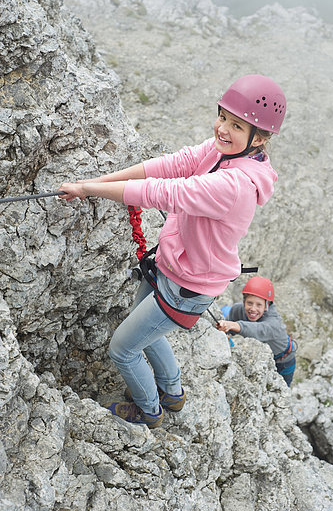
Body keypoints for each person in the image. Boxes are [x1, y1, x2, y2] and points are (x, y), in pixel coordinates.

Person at [58, 74, 287, 427]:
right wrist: (96, 183)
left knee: (122, 349)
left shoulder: (235, 185)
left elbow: (164, 192)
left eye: (236, 125)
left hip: (188, 287)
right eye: (222, 116)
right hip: (170, 268)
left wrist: (89, 189)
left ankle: (149, 411)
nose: (222, 128)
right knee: (146, 334)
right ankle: (173, 392)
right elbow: (170, 165)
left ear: (259, 139)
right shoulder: (222, 151)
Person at [217, 276, 296, 386]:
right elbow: (227, 328)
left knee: (280, 393)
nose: (253, 309)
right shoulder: (237, 310)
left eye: (259, 305)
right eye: (249, 303)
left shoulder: (274, 323)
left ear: (266, 306)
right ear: (244, 301)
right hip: (262, 359)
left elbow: (259, 330)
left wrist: (235, 325)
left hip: (283, 362)